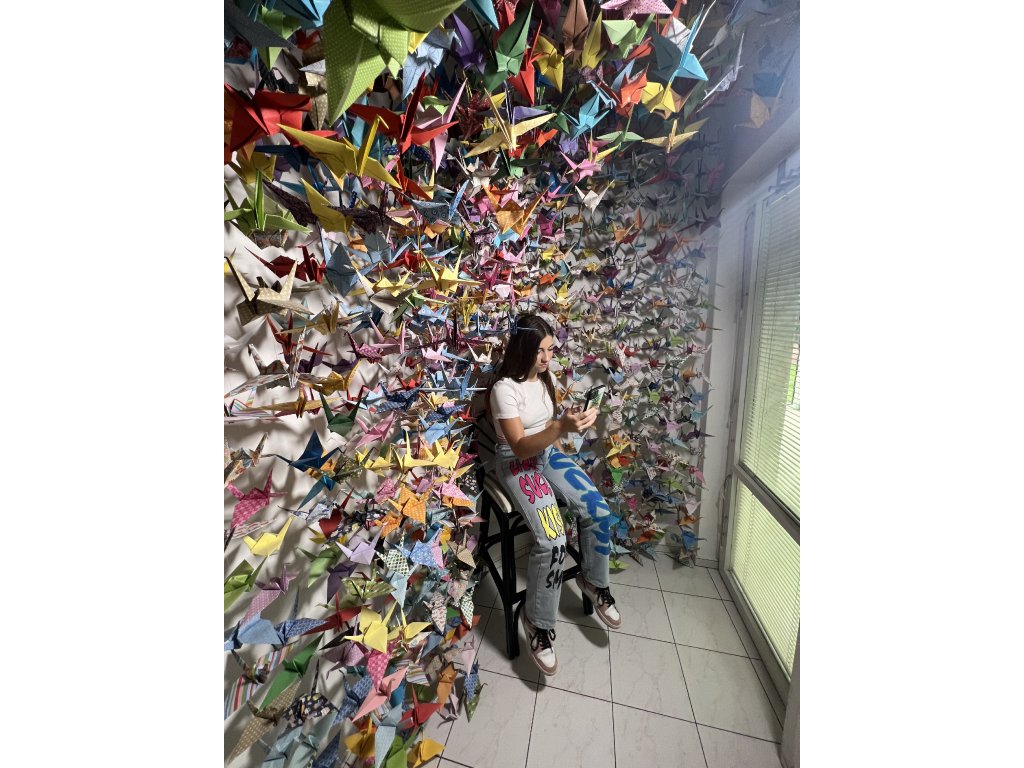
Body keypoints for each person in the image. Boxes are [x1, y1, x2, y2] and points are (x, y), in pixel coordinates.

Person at [486, 313, 621, 676]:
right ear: (522, 349)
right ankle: (537, 623)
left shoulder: (543, 379)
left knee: (598, 510)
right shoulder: (503, 389)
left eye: (550, 350)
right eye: (540, 351)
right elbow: (519, 445)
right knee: (553, 540)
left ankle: (593, 582)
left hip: (546, 454)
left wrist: (566, 424)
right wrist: (560, 427)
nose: (547, 358)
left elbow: (546, 426)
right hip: (516, 463)